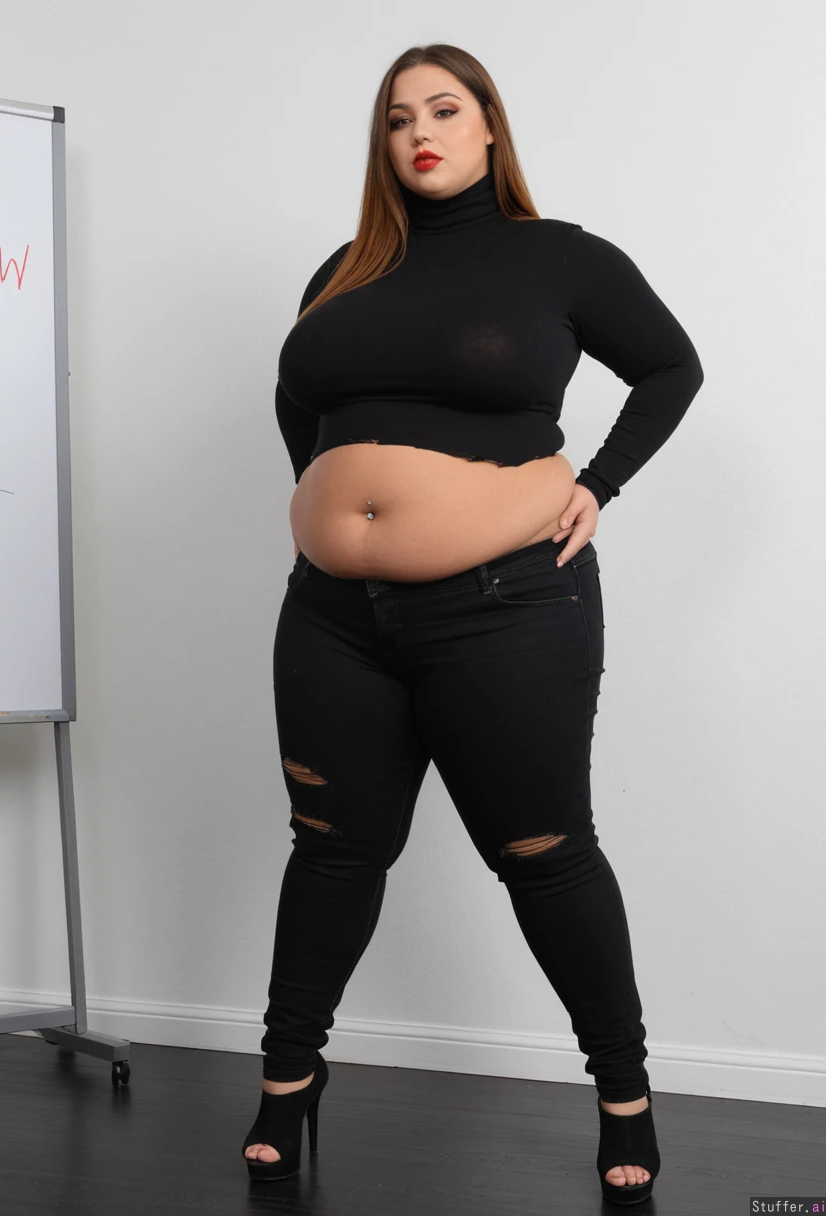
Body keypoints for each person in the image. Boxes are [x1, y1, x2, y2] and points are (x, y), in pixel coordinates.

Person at [242, 43, 703, 1205]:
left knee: (542, 851)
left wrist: (596, 483)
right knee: (332, 848)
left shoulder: (562, 258)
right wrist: (338, 509)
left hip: (507, 607)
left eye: (443, 110)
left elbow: (669, 367)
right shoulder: (343, 270)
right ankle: (287, 1080)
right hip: (332, 616)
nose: (420, 134)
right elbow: (300, 399)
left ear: (490, 125)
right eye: (398, 119)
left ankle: (624, 1093)